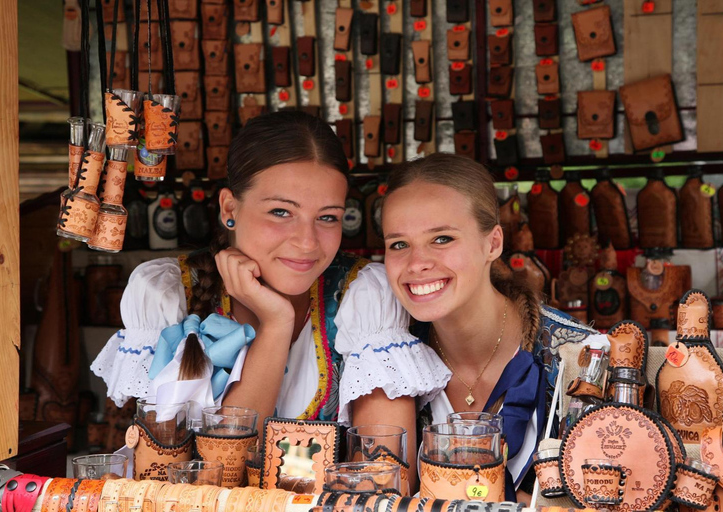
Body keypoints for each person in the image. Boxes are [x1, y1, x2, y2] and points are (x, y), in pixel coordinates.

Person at [91, 112, 447, 456]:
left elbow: (386, 475)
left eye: (327, 217)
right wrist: (276, 325)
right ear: (229, 208)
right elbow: (176, 471)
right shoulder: (167, 295)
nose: (307, 242)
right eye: (281, 212)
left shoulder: (365, 296)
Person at [379, 153, 595, 502]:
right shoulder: (387, 361)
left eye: (442, 238)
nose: (417, 263)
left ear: (492, 244)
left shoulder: (579, 356)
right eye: (399, 244)